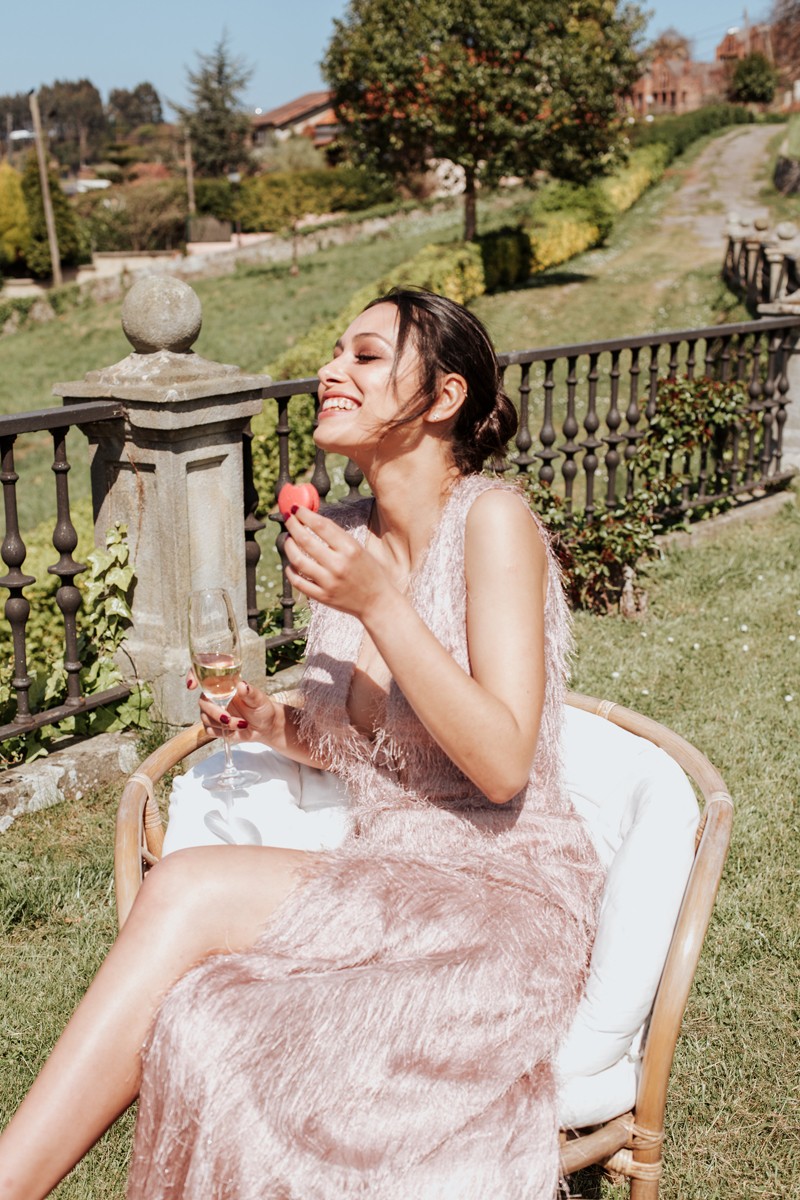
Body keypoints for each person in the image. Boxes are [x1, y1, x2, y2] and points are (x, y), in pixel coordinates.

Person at [0, 288, 603, 1199]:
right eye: (334, 350)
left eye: (365, 356)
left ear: (442, 399)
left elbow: (502, 761)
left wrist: (381, 605)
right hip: (388, 866)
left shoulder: (492, 521)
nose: (331, 371)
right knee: (206, 1012)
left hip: (501, 894)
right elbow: (369, 744)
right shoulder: (347, 534)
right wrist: (270, 722)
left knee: (195, 893)